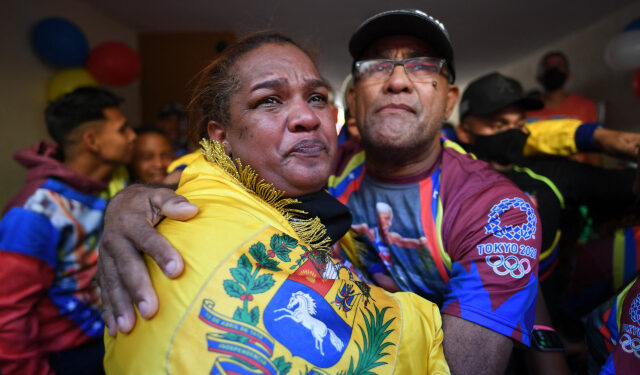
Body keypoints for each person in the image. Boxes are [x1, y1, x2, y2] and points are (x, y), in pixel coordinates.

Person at [103, 31, 450, 374]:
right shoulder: (184, 231)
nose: (308, 117)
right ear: (220, 136)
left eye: (316, 97)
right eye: (269, 100)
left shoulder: (318, 195)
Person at [0, 87, 136, 375]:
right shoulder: (35, 213)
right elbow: (8, 314)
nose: (132, 136)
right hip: (67, 357)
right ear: (92, 141)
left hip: (107, 339)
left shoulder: (105, 190)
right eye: (123, 129)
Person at [527, 51, 602, 166]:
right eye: (548, 67)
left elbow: (593, 148)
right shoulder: (527, 107)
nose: (553, 70)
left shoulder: (585, 106)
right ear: (538, 76)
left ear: (568, 74)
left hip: (576, 174)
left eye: (559, 66)